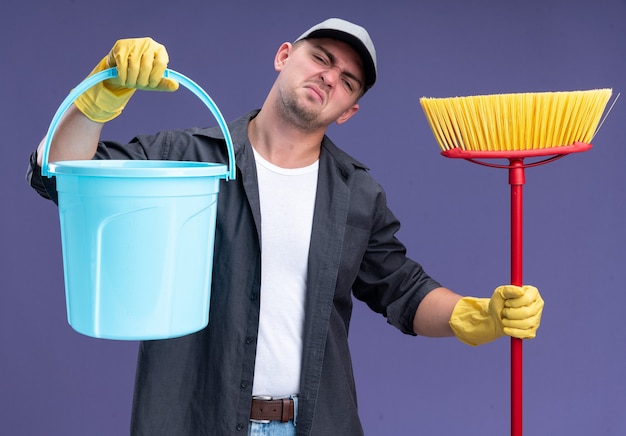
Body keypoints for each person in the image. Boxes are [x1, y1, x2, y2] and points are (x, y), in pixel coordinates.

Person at [27, 18, 544, 436]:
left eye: (347, 80)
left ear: (349, 111)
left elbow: (403, 291)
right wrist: (98, 101)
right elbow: (62, 176)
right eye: (321, 57)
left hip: (316, 425)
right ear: (283, 56)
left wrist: (478, 314)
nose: (329, 77)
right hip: (194, 421)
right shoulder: (187, 160)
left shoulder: (356, 193)